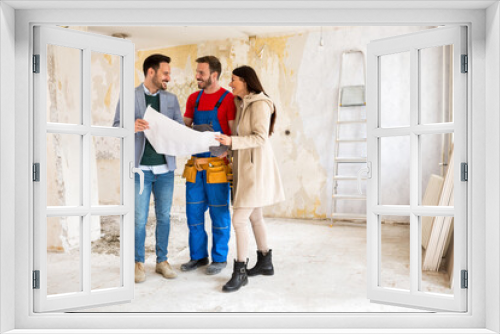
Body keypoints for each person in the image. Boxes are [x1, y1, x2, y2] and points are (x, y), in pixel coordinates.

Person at [113, 54, 184, 283]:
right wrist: (130, 126)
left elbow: (180, 129)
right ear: (151, 72)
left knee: (164, 216)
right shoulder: (129, 97)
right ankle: (138, 263)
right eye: (165, 73)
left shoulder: (171, 99)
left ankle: (162, 261)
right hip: (140, 171)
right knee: (139, 219)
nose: (169, 77)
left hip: (165, 169)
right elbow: (115, 127)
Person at [215, 65, 285, 292]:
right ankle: (265, 262)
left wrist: (232, 142)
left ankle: (240, 270)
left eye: (233, 79)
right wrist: (230, 148)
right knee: (255, 217)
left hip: (255, 170)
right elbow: (245, 136)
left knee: (239, 220)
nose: (230, 83)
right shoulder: (246, 102)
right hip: (248, 168)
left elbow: (260, 138)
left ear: (245, 81)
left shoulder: (261, 104)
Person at [181, 56, 236, 275]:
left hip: (218, 168)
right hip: (195, 167)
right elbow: (183, 129)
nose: (197, 76)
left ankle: (220, 258)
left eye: (201, 72)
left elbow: (233, 134)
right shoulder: (193, 99)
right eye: (197, 71)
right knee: (193, 214)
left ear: (214, 75)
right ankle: (198, 256)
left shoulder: (228, 99)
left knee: (219, 214)